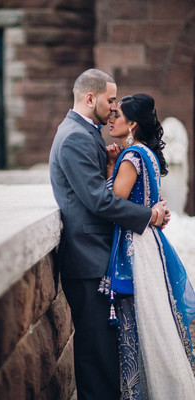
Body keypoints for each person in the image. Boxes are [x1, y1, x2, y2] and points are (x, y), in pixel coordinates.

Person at [48, 69, 169, 400]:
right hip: (89, 260)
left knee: (103, 355)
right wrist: (149, 216)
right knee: (97, 358)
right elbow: (98, 201)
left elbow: (94, 191)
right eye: (110, 99)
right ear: (91, 98)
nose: (114, 107)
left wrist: (108, 168)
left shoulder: (84, 134)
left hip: (98, 256)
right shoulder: (74, 136)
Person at [100, 93, 195, 399]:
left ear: (133, 124)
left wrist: (112, 163)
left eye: (119, 115)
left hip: (134, 248)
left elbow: (111, 202)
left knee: (136, 326)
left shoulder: (131, 158)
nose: (112, 118)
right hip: (149, 241)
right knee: (154, 322)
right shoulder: (147, 155)